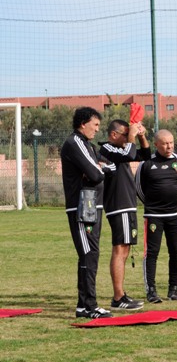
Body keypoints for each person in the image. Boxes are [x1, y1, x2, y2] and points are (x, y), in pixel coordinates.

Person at [61, 107, 112, 318]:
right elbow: (96, 173)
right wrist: (98, 169)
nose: (97, 129)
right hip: (82, 207)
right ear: (83, 124)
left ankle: (83, 306)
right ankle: (90, 306)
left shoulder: (87, 145)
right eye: (95, 125)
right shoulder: (75, 143)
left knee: (90, 254)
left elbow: (105, 167)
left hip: (92, 206)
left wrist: (99, 168)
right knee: (88, 254)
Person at [135, 129, 177, 303]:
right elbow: (139, 189)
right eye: (165, 143)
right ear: (156, 144)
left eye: (171, 143)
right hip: (154, 215)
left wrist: (173, 199)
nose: (169, 146)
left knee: (176, 251)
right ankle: (151, 291)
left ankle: (174, 289)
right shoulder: (146, 163)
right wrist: (153, 205)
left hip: (176, 214)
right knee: (151, 253)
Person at [99, 119, 150, 311]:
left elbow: (145, 155)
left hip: (126, 205)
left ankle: (120, 295)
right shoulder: (107, 149)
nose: (129, 137)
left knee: (125, 250)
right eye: (125, 134)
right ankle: (118, 297)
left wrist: (142, 136)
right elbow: (129, 153)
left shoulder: (122, 150)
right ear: (113, 135)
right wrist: (132, 137)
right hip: (118, 205)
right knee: (120, 250)